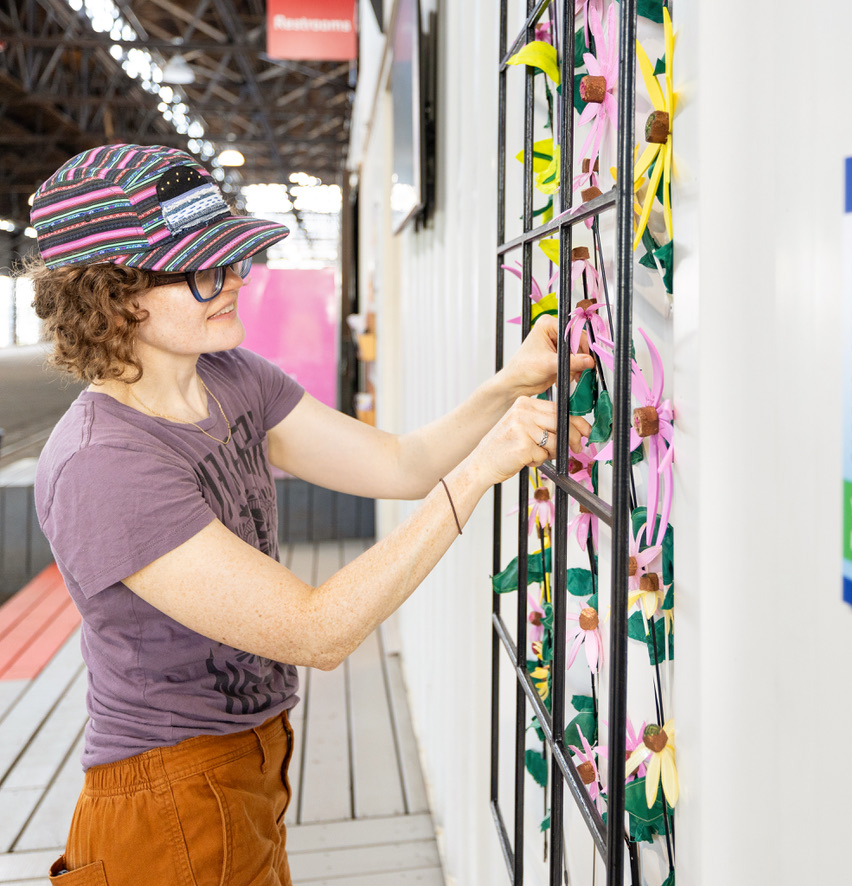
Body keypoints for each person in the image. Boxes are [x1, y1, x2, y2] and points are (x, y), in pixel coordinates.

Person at [24, 144, 593, 885]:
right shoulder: (103, 464)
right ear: (114, 295)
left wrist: (508, 385)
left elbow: (401, 464)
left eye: (234, 258)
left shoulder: (230, 376)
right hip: (168, 794)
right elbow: (315, 631)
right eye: (203, 268)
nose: (235, 279)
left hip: (254, 757)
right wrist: (481, 470)